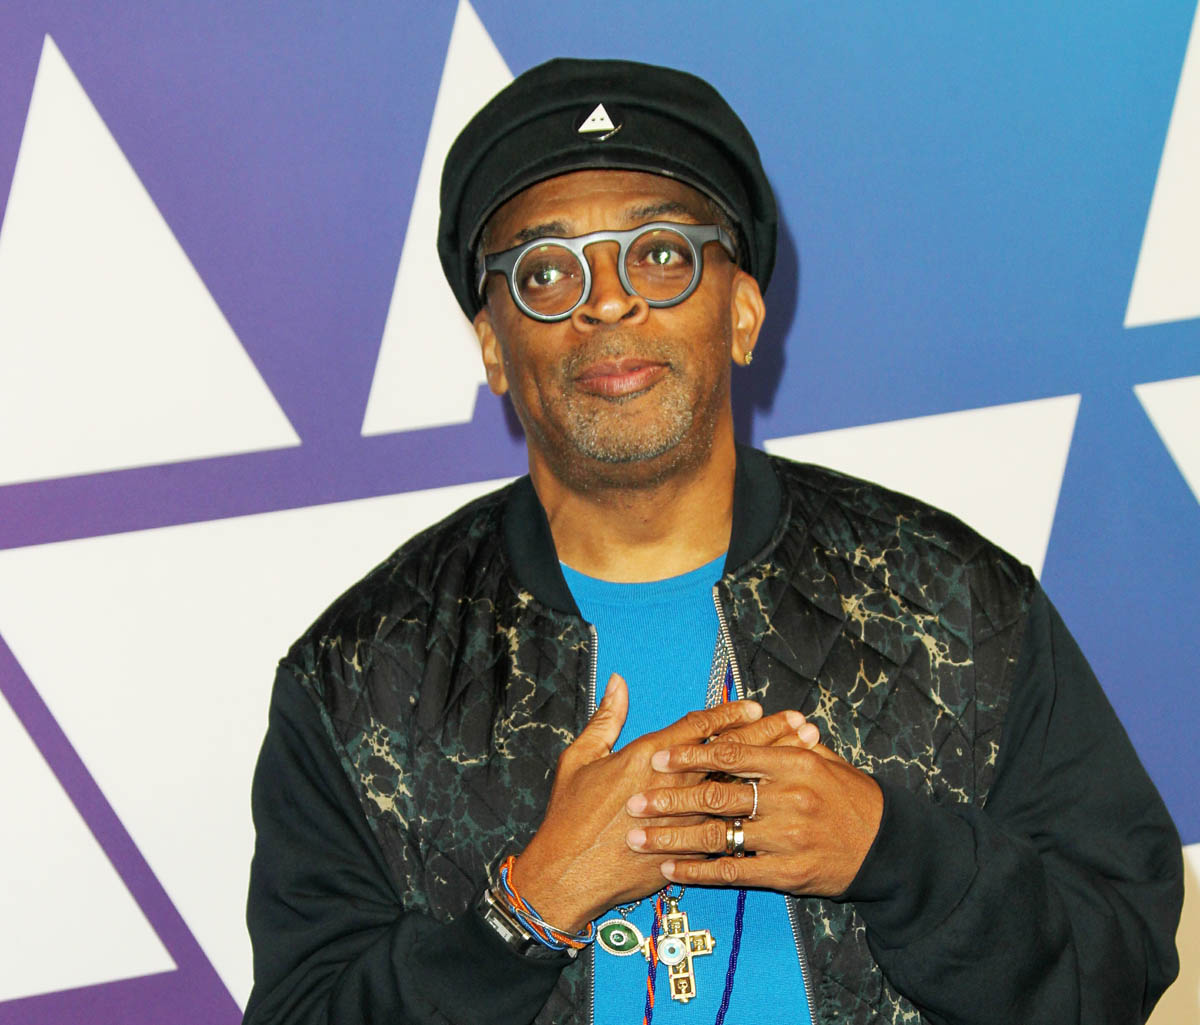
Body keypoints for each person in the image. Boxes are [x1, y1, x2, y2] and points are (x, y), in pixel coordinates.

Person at [242, 58, 1182, 1025]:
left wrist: (890, 850)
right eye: (547, 270)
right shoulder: (364, 674)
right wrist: (529, 905)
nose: (608, 301)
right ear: (493, 346)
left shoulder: (956, 605)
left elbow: (1117, 962)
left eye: (659, 252)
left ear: (742, 311)